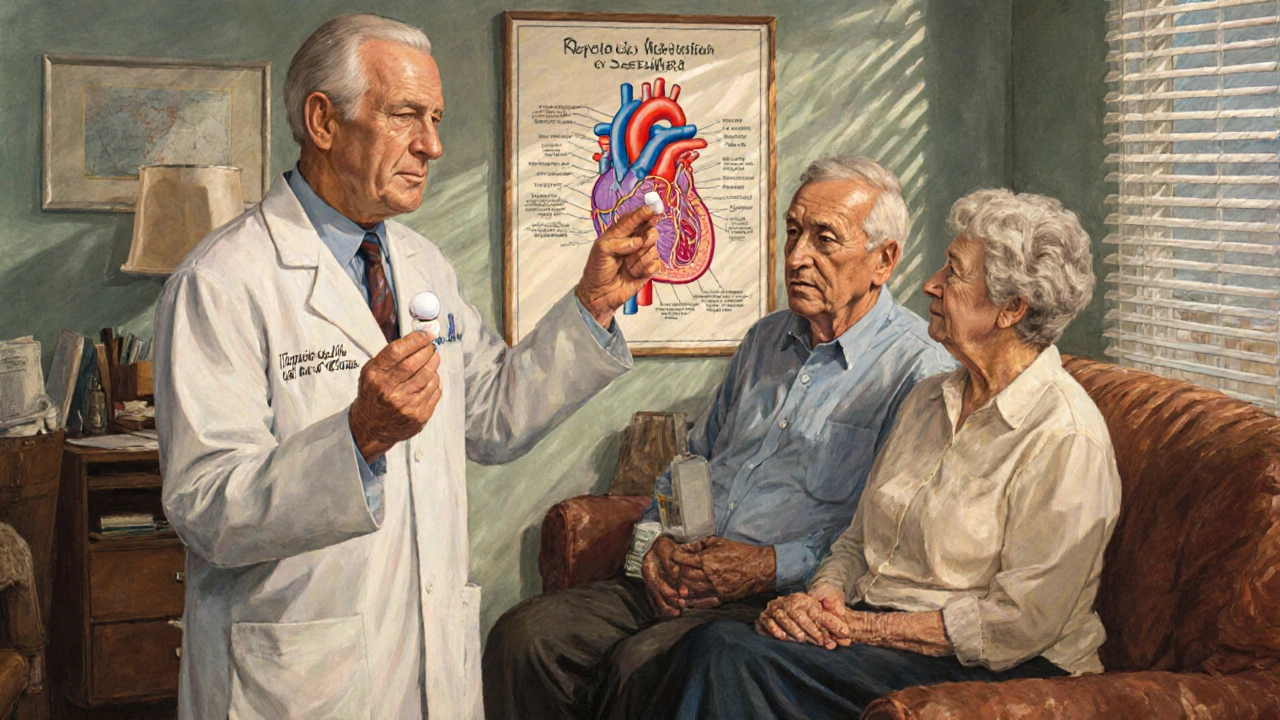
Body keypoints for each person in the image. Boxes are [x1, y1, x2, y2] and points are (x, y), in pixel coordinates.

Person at [153, 14, 662, 720]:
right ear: (323, 121)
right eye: (405, 117)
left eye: (436, 119)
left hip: (427, 660)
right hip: (300, 675)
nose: (433, 145)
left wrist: (592, 306)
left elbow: (491, 419)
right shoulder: (222, 281)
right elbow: (206, 509)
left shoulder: (422, 265)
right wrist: (356, 438)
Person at [484, 156, 955, 719]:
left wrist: (766, 566)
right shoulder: (764, 340)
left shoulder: (917, 370)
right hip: (687, 574)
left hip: (778, 597)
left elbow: (886, 536)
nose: (797, 256)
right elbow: (695, 462)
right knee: (524, 636)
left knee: (645, 664)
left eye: (824, 239)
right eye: (793, 232)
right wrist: (655, 544)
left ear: (884, 260)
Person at [642, 189, 1122, 719]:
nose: (930, 284)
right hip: (879, 634)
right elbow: (857, 540)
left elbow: (1020, 622)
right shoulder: (928, 399)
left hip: (996, 667)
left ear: (1012, 309)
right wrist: (820, 600)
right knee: (720, 645)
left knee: (727, 655)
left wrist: (862, 625)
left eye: (955, 273)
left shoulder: (1065, 436)